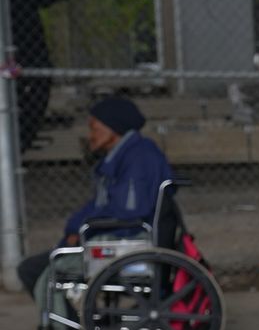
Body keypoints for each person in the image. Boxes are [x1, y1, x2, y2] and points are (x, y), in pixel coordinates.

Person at [16, 93, 173, 298]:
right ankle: (70, 325)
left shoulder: (139, 158)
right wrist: (75, 227)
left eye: (95, 128)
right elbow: (101, 206)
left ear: (114, 129)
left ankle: (69, 329)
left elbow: (128, 211)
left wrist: (83, 228)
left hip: (127, 240)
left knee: (47, 271)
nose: (90, 135)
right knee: (30, 268)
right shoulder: (118, 159)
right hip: (111, 237)